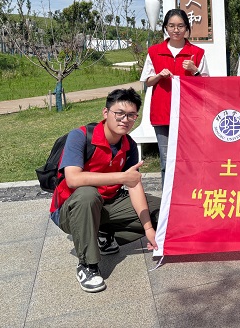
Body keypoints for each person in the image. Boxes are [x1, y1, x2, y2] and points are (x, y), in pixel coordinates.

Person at [49, 88, 160, 293]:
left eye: (131, 115)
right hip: (70, 208)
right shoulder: (80, 136)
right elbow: (73, 179)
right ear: (106, 112)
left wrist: (148, 229)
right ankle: (87, 265)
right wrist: (121, 177)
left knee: (160, 211)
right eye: (119, 113)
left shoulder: (129, 145)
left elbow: (134, 185)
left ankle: (102, 234)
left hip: (108, 203)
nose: (125, 120)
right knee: (87, 194)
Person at [140, 9, 209, 185]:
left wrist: (195, 70)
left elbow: (206, 84)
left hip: (189, 116)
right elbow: (147, 81)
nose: (176, 30)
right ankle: (168, 198)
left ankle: (189, 194)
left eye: (180, 26)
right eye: (171, 26)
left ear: (186, 28)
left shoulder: (197, 53)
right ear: (165, 27)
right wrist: (158, 76)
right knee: (166, 161)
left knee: (189, 159)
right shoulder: (155, 52)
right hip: (162, 113)